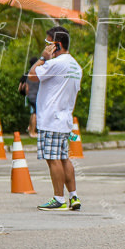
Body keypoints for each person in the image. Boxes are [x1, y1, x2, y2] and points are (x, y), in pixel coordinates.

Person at [31, 27, 84, 211]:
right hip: (64, 119)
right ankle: (73, 196)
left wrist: (43, 57)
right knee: (63, 159)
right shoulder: (76, 66)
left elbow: (32, 75)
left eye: (48, 43)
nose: (46, 46)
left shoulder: (55, 64)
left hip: (50, 119)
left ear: (57, 45)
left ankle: (58, 199)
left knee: (53, 160)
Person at [19, 57, 40, 137]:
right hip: (34, 95)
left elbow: (21, 86)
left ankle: (30, 128)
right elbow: (27, 86)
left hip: (29, 96)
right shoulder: (35, 73)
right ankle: (32, 132)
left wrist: (27, 95)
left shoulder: (27, 73)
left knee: (33, 112)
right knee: (35, 113)